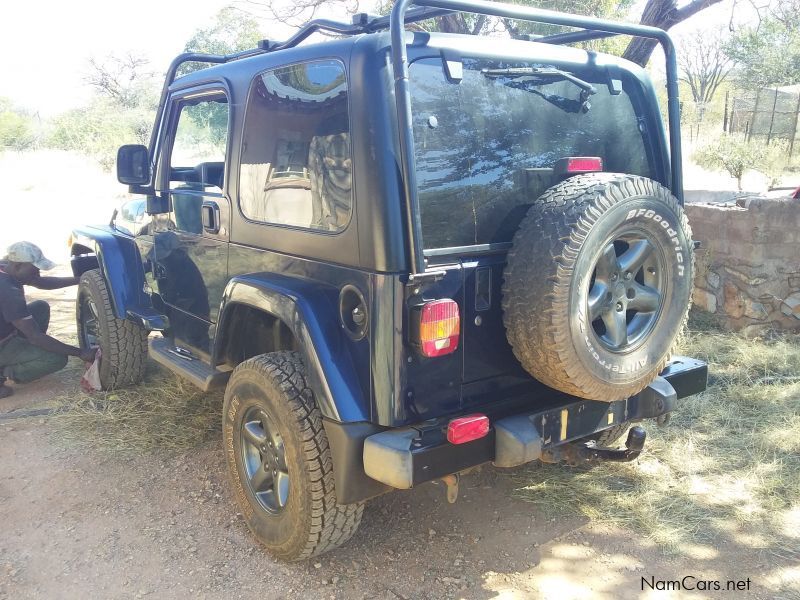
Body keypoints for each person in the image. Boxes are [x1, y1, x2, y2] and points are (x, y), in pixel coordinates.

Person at [0, 242, 96, 399]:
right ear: (18, 266)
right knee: (55, 359)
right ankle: (4, 373)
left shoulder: (6, 267)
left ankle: (23, 354)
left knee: (40, 307)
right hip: (2, 342)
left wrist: (81, 279)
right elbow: (35, 336)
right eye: (35, 268)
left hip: (5, 329)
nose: (38, 272)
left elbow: (41, 282)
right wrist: (80, 352)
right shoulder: (8, 291)